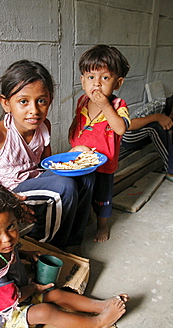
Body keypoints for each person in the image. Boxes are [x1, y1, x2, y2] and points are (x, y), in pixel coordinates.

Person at [0, 180, 129, 328]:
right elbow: (9, 302)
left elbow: (5, 256)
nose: (7, 239)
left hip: (16, 294)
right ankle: (98, 322)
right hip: (2, 316)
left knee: (55, 293)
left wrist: (25, 254)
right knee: (45, 311)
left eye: (11, 226)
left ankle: (101, 306)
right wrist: (35, 288)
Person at [0, 60, 95, 249]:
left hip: (34, 180)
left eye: (41, 101)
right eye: (23, 101)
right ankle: (47, 248)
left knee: (85, 174)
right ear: (6, 103)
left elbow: (46, 164)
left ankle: (72, 240)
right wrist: (3, 199)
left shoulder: (44, 126)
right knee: (64, 186)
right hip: (8, 191)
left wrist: (73, 155)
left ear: (50, 100)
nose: (34, 110)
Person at [68, 45, 130, 242]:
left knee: (102, 198)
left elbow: (120, 128)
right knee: (83, 191)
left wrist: (105, 105)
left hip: (104, 164)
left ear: (117, 83)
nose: (96, 84)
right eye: (91, 77)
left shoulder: (119, 105)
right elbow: (77, 124)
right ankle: (85, 216)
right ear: (82, 80)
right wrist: (73, 143)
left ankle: (102, 225)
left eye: (104, 78)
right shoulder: (82, 101)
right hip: (82, 159)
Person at [122, 96, 173, 182]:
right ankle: (171, 171)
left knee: (163, 127)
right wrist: (157, 117)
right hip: (129, 138)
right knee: (156, 127)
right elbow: (129, 126)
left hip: (145, 137)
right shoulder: (158, 105)